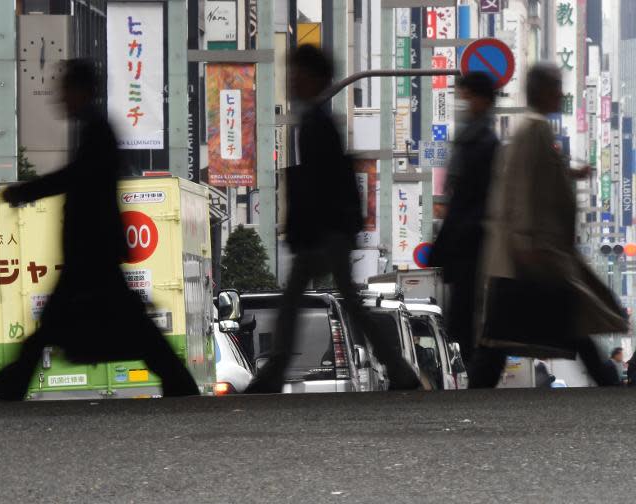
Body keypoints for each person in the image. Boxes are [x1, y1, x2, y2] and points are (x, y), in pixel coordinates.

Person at [0, 59, 199, 400]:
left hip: (92, 248)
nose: (60, 98)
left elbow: (78, 177)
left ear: (82, 91)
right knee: (116, 324)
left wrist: (27, 191)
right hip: (92, 248)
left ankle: (11, 385)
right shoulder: (95, 127)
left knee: (94, 324)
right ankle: (180, 384)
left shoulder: (97, 129)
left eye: (66, 89)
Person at [246, 45, 420, 393]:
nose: (291, 79)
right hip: (332, 230)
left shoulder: (315, 123)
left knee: (299, 300)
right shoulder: (317, 120)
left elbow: (318, 183)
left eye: (297, 73)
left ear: (314, 79)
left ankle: (276, 371)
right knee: (343, 304)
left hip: (324, 232)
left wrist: (303, 229)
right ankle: (399, 370)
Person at [469, 63, 628, 388]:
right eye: (556, 87)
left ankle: (605, 380)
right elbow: (524, 187)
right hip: (533, 254)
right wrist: (527, 243)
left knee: (506, 336)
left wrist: (569, 173)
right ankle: (607, 383)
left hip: (529, 253)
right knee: (562, 325)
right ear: (541, 91)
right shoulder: (535, 128)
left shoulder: (529, 128)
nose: (561, 94)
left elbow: (533, 175)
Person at [429, 72, 499, 365]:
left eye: (467, 96)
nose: (463, 102)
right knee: (467, 307)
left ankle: (478, 366)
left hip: (470, 233)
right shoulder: (477, 135)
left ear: (481, 99)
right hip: (471, 232)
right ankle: (477, 365)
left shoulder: (481, 139)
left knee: (466, 308)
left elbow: (466, 192)